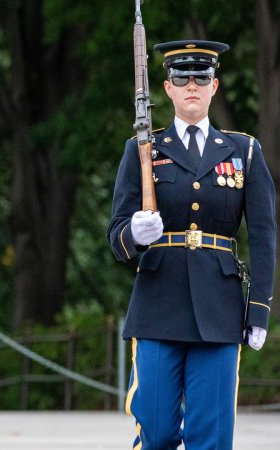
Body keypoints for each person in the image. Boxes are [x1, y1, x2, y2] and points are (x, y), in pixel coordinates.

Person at [108, 40, 276, 449]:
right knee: (157, 429)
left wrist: (259, 308)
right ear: (167, 88)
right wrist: (136, 233)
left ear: (214, 86)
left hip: (219, 309)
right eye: (181, 78)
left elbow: (264, 234)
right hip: (157, 304)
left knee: (211, 435)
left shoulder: (243, 151)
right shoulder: (144, 150)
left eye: (201, 78)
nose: (191, 86)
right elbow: (116, 238)